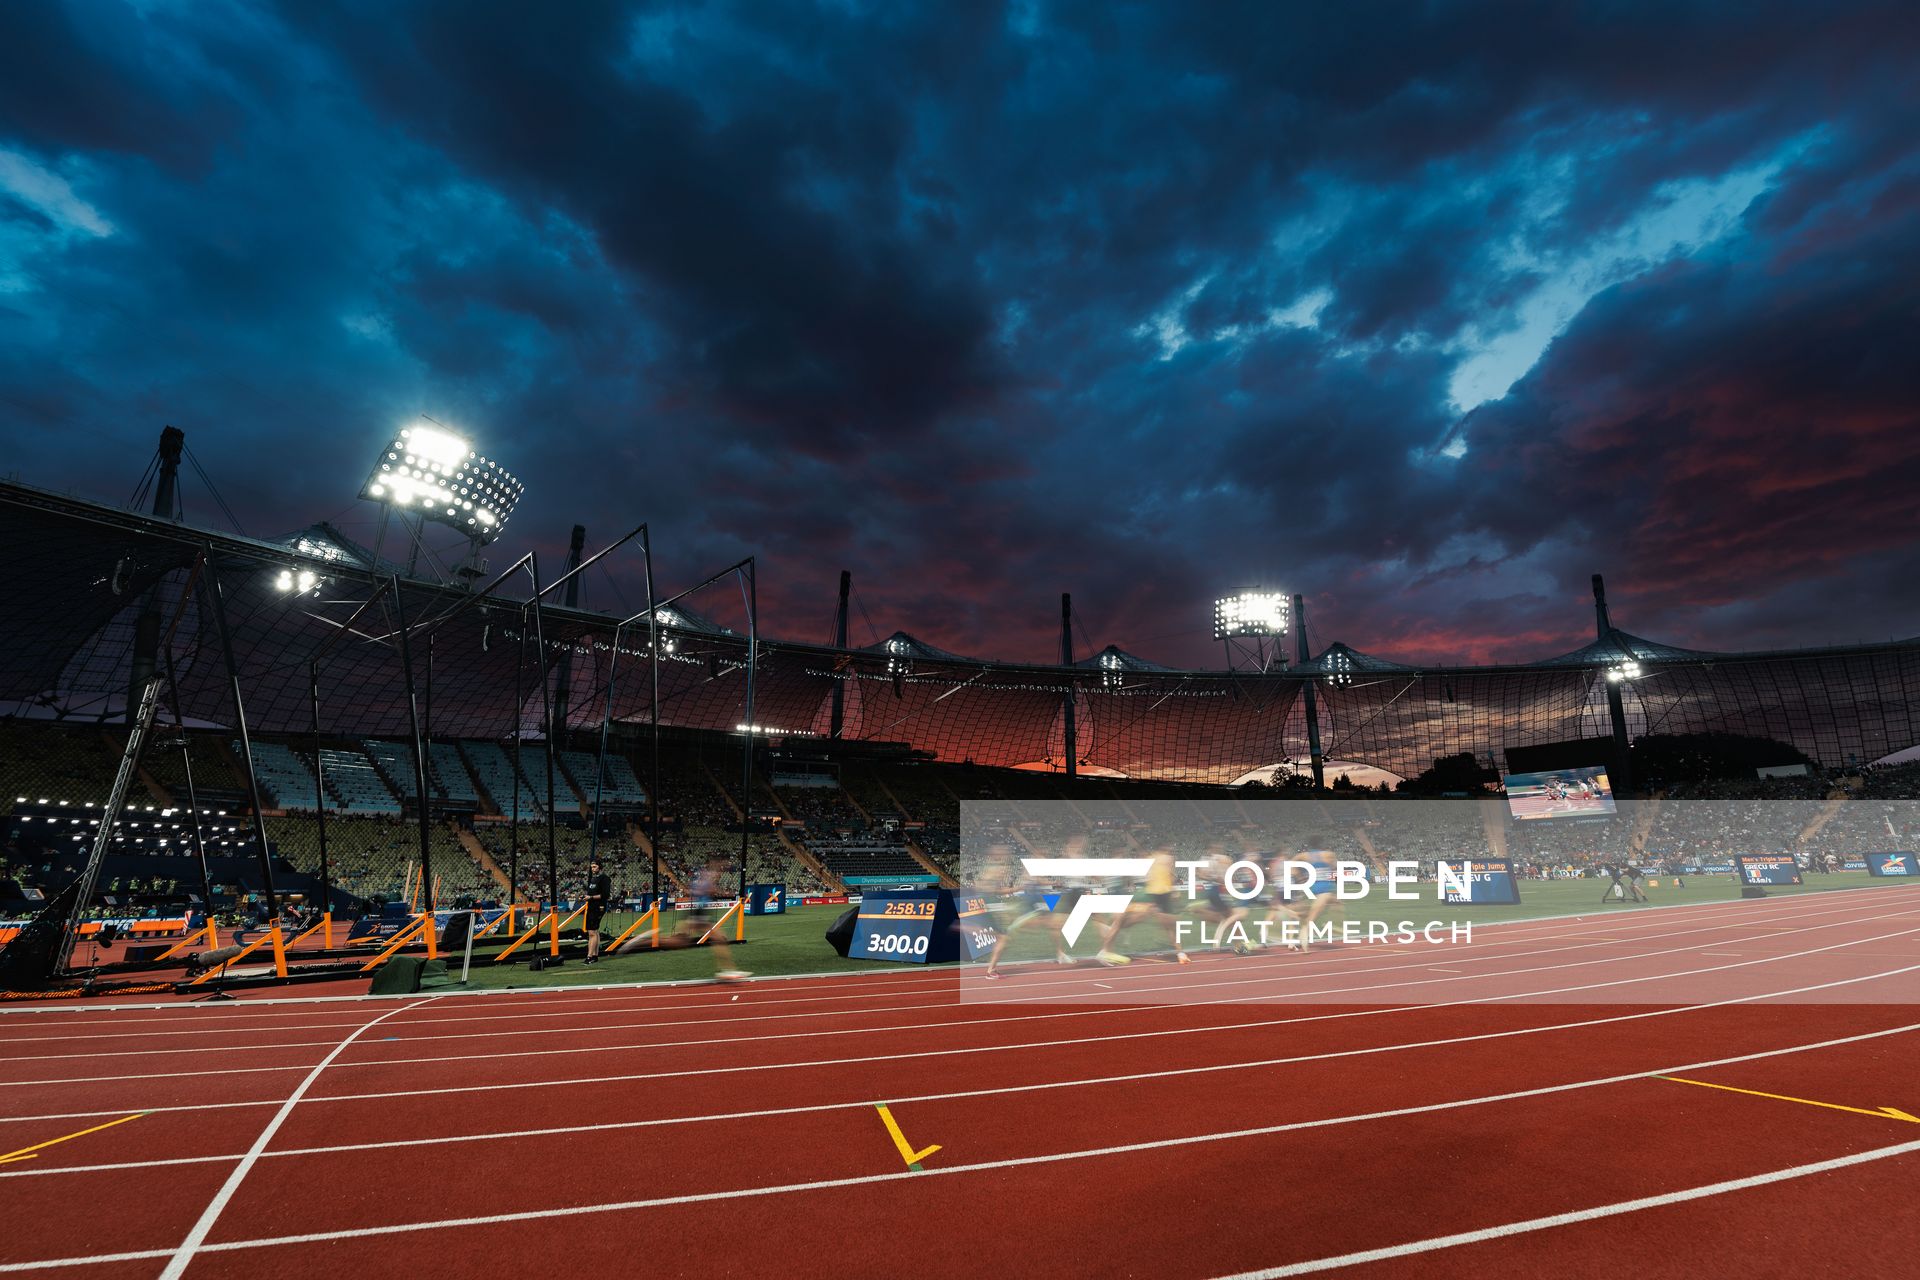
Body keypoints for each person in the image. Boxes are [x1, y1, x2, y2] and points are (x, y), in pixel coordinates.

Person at [1096, 846, 1192, 966]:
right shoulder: (1139, 865)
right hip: (1145, 896)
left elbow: (1165, 877)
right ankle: (1105, 950)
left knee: (1168, 925)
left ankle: (1180, 953)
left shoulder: (1154, 863)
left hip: (1152, 896)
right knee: (1120, 921)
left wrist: (1171, 890)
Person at [673, 854, 749, 982]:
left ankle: (727, 971)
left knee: (716, 939)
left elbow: (700, 890)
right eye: (722, 864)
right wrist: (719, 892)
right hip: (699, 913)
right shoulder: (708, 876)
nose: (722, 869)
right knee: (680, 942)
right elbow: (702, 890)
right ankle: (728, 971)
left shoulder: (708, 877)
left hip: (699, 913)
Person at [583, 859, 611, 965]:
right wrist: (587, 897)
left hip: (598, 907)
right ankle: (595, 956)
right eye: (591, 867)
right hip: (592, 906)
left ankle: (589, 957)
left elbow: (605, 895)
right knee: (595, 931)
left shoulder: (604, 878)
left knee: (592, 932)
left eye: (594, 867)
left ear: (600, 867)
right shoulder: (593, 879)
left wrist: (590, 897)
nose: (592, 868)